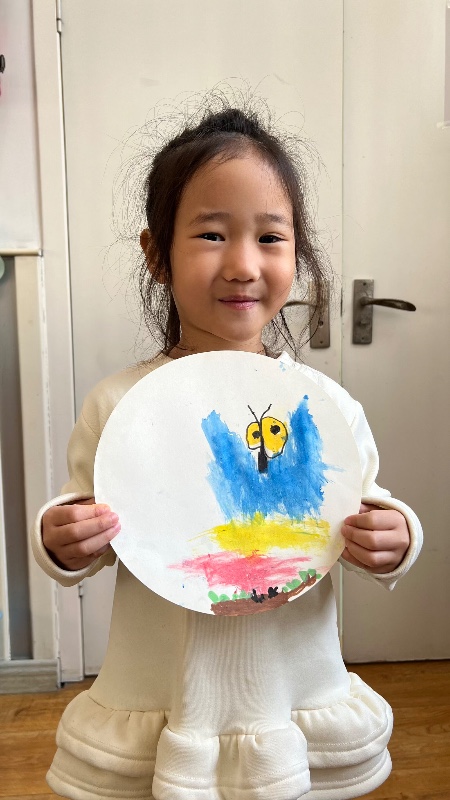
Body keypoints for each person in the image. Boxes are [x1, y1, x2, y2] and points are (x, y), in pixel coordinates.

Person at [32, 104, 422, 800]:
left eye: (270, 237)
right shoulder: (119, 404)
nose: (243, 264)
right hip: (167, 697)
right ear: (157, 254)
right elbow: (82, 528)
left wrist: (397, 537)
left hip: (289, 694)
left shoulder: (325, 408)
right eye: (212, 234)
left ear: (296, 255)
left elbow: (366, 506)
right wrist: (62, 539)